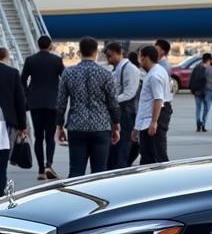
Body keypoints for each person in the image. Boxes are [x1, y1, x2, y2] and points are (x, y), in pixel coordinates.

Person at [55, 37, 120, 177]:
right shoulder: (106, 74)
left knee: (76, 170)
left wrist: (59, 126)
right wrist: (116, 124)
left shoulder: (68, 73)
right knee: (99, 172)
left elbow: (61, 103)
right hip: (101, 126)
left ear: (80, 52)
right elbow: (113, 103)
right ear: (96, 52)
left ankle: (75, 199)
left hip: (77, 126)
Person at [20, 34, 64, 180]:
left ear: (38, 45)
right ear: (50, 45)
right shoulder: (57, 61)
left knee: (38, 137)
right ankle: (49, 164)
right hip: (52, 104)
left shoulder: (30, 60)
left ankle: (40, 170)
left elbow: (23, 80)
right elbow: (64, 79)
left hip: (35, 104)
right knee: (50, 137)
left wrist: (28, 94)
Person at [133, 45, 173, 164]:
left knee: (156, 155)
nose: (139, 60)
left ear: (145, 58)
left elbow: (158, 99)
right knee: (148, 155)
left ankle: (164, 180)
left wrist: (154, 122)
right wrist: (137, 127)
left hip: (153, 119)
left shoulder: (155, 75)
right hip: (148, 120)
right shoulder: (156, 71)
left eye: (140, 57)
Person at [105, 42, 141, 168]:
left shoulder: (130, 69)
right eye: (107, 56)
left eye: (110, 55)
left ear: (119, 52)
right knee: (114, 150)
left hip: (126, 114)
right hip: (117, 113)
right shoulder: (116, 69)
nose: (108, 59)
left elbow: (129, 93)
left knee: (122, 150)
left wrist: (111, 100)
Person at [0, 47, 29, 194]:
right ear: (5, 57)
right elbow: (20, 101)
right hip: (4, 124)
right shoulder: (12, 73)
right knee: (2, 161)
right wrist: (23, 126)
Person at [190, 55, 209, 131]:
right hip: (206, 92)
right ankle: (203, 125)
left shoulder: (196, 68)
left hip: (197, 91)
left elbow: (191, 79)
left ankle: (198, 124)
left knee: (198, 109)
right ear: (208, 60)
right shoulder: (207, 69)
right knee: (206, 108)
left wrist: (192, 89)